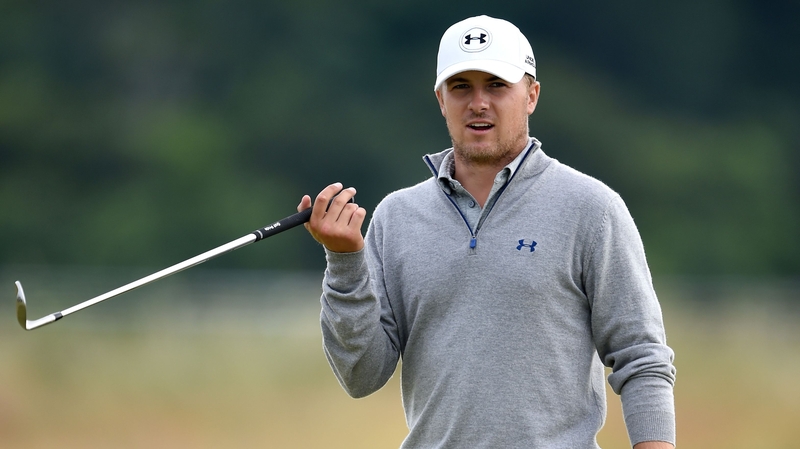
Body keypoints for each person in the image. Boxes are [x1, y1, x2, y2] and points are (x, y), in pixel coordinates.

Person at [297, 15, 676, 449]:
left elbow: (641, 357)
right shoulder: (396, 217)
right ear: (441, 99)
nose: (478, 103)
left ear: (531, 95)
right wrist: (345, 263)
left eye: (497, 85)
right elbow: (361, 375)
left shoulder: (592, 208)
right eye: (461, 87)